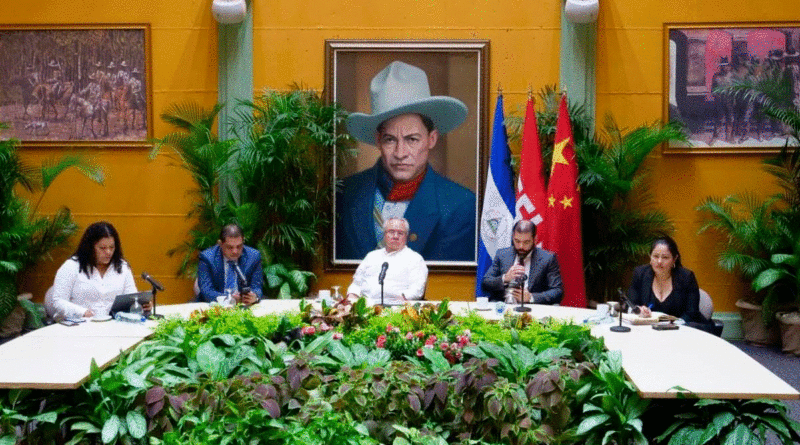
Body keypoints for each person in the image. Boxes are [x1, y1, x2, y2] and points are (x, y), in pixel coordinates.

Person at [336, 60, 476, 262]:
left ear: (431, 139)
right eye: (390, 139)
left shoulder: (460, 204)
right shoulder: (345, 195)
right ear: (378, 141)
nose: (400, 153)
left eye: (412, 139)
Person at [47, 221, 145, 319]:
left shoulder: (122, 266)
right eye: (102, 248)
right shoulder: (71, 266)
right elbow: (58, 301)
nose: (108, 252)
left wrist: (141, 304)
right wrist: (82, 312)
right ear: (90, 247)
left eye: (112, 247)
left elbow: (131, 298)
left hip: (113, 324)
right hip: (80, 325)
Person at [627, 236, 712, 330]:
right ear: (650, 257)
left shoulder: (687, 277)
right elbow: (631, 304)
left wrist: (670, 326)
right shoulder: (640, 274)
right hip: (647, 331)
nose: (659, 261)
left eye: (665, 257)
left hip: (681, 331)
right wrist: (639, 311)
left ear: (674, 259)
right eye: (655, 256)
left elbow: (691, 313)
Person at [346, 218, 428, 305]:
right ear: (384, 234)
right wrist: (351, 299)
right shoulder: (371, 256)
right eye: (391, 232)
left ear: (406, 236)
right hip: (365, 306)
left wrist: (395, 301)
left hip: (396, 308)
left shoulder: (415, 259)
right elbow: (356, 283)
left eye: (400, 233)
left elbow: (417, 291)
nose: (395, 236)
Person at [481, 220, 563, 304]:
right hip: (503, 307)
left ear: (535, 239)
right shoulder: (502, 255)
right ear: (513, 237)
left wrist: (531, 297)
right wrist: (505, 278)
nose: (521, 246)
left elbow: (557, 291)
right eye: (517, 241)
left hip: (532, 310)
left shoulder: (548, 259)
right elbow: (485, 283)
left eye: (526, 242)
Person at [197, 224, 263, 305]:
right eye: (230, 247)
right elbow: (207, 291)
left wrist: (254, 296)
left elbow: (257, 287)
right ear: (220, 244)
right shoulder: (207, 258)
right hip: (216, 305)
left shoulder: (253, 256)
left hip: (244, 305)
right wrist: (229, 299)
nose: (235, 251)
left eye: (239, 246)